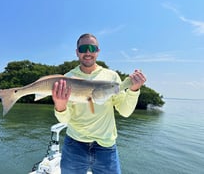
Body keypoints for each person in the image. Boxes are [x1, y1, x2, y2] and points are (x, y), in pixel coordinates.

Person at [52, 33, 146, 174]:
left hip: (106, 147)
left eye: (92, 48)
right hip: (74, 146)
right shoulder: (67, 79)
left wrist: (134, 90)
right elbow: (65, 120)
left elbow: (125, 112)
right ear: (77, 52)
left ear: (98, 51)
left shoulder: (112, 76)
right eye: (83, 48)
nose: (88, 52)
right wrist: (60, 105)